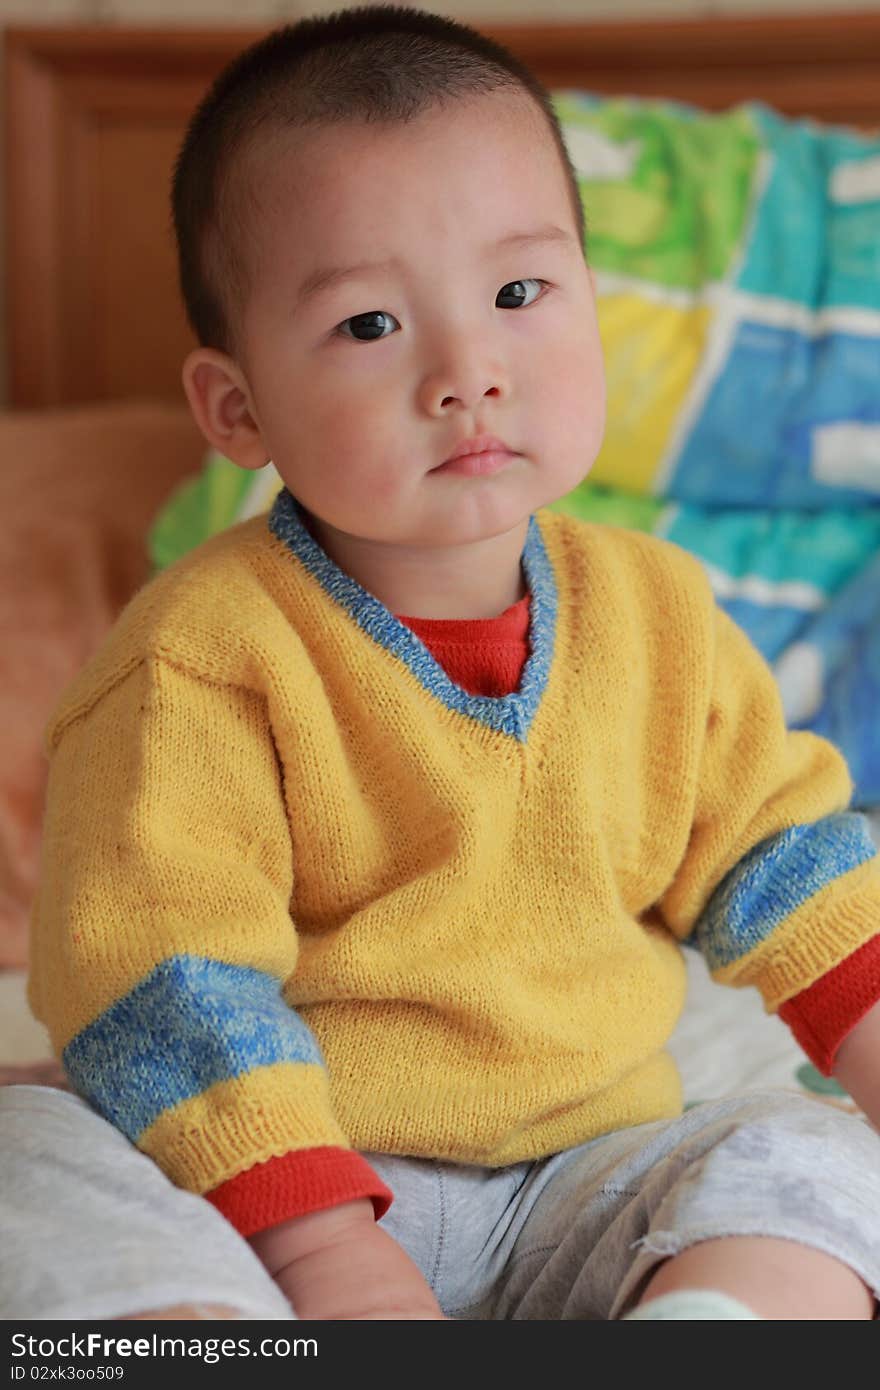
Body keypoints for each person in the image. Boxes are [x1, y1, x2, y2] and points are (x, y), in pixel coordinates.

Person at [4, 4, 880, 1323]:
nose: (469, 373)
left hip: (585, 1170)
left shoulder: (657, 611)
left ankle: (702, 1323)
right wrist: (326, 1255)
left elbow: (792, 870)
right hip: (278, 1186)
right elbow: (165, 972)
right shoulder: (200, 661)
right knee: (37, 1159)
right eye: (368, 326)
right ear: (237, 408)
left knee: (808, 1158)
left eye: (519, 294)